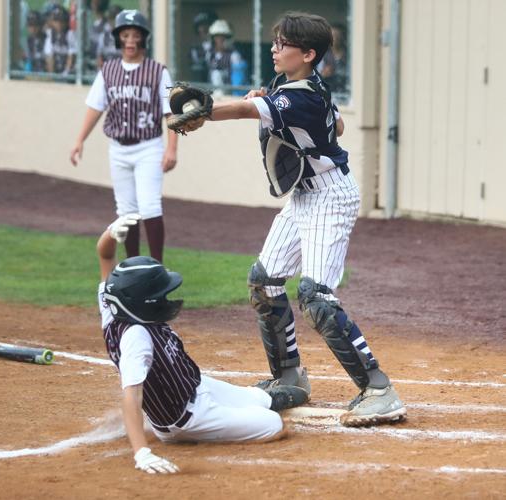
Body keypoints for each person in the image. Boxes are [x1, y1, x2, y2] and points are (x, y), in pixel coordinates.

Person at [179, 12, 407, 427]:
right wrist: (270, 106)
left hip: (329, 199)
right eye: (276, 42)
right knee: (264, 282)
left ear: (308, 54)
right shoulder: (302, 86)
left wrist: (208, 111)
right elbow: (334, 124)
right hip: (304, 198)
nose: (273, 48)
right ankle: (290, 376)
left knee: (316, 296)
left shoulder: (298, 95)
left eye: (283, 44)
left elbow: (252, 111)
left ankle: (379, 390)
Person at [96, 214, 308, 474]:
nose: (166, 298)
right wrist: (142, 452)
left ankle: (258, 400)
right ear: (143, 303)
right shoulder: (136, 338)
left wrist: (111, 233)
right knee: (273, 424)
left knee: (261, 399)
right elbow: (131, 395)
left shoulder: (112, 305)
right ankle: (195, 433)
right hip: (187, 418)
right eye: (159, 295)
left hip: (195, 386)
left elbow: (105, 256)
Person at [70, 10, 178, 263]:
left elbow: (170, 114)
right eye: (125, 35)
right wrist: (79, 140)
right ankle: (133, 267)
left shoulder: (158, 71)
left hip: (148, 146)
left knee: (150, 206)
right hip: (118, 148)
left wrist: (172, 149)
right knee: (126, 211)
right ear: (118, 39)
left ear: (144, 39)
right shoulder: (108, 71)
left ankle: (156, 267)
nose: (131, 40)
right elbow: (96, 107)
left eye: (136, 35)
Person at [207, 19, 247, 96]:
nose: (219, 40)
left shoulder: (234, 56)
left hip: (228, 95)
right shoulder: (210, 55)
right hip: (212, 93)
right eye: (217, 37)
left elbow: (238, 81)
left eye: (223, 37)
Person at [44, 5, 77, 75]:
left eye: (61, 20)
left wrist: (65, 74)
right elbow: (49, 57)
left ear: (66, 21)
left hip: (69, 74)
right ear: (52, 22)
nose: (59, 23)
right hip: (55, 72)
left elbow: (72, 56)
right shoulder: (50, 34)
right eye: (56, 20)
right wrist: (53, 75)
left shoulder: (70, 34)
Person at [317, 24, 348, 96]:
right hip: (329, 92)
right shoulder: (323, 55)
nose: (335, 38)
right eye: (332, 35)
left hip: (345, 91)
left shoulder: (348, 56)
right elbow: (316, 77)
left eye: (337, 35)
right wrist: (323, 75)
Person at [189, 11, 216, 82]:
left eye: (207, 25)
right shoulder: (195, 50)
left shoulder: (221, 48)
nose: (204, 29)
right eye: (200, 26)